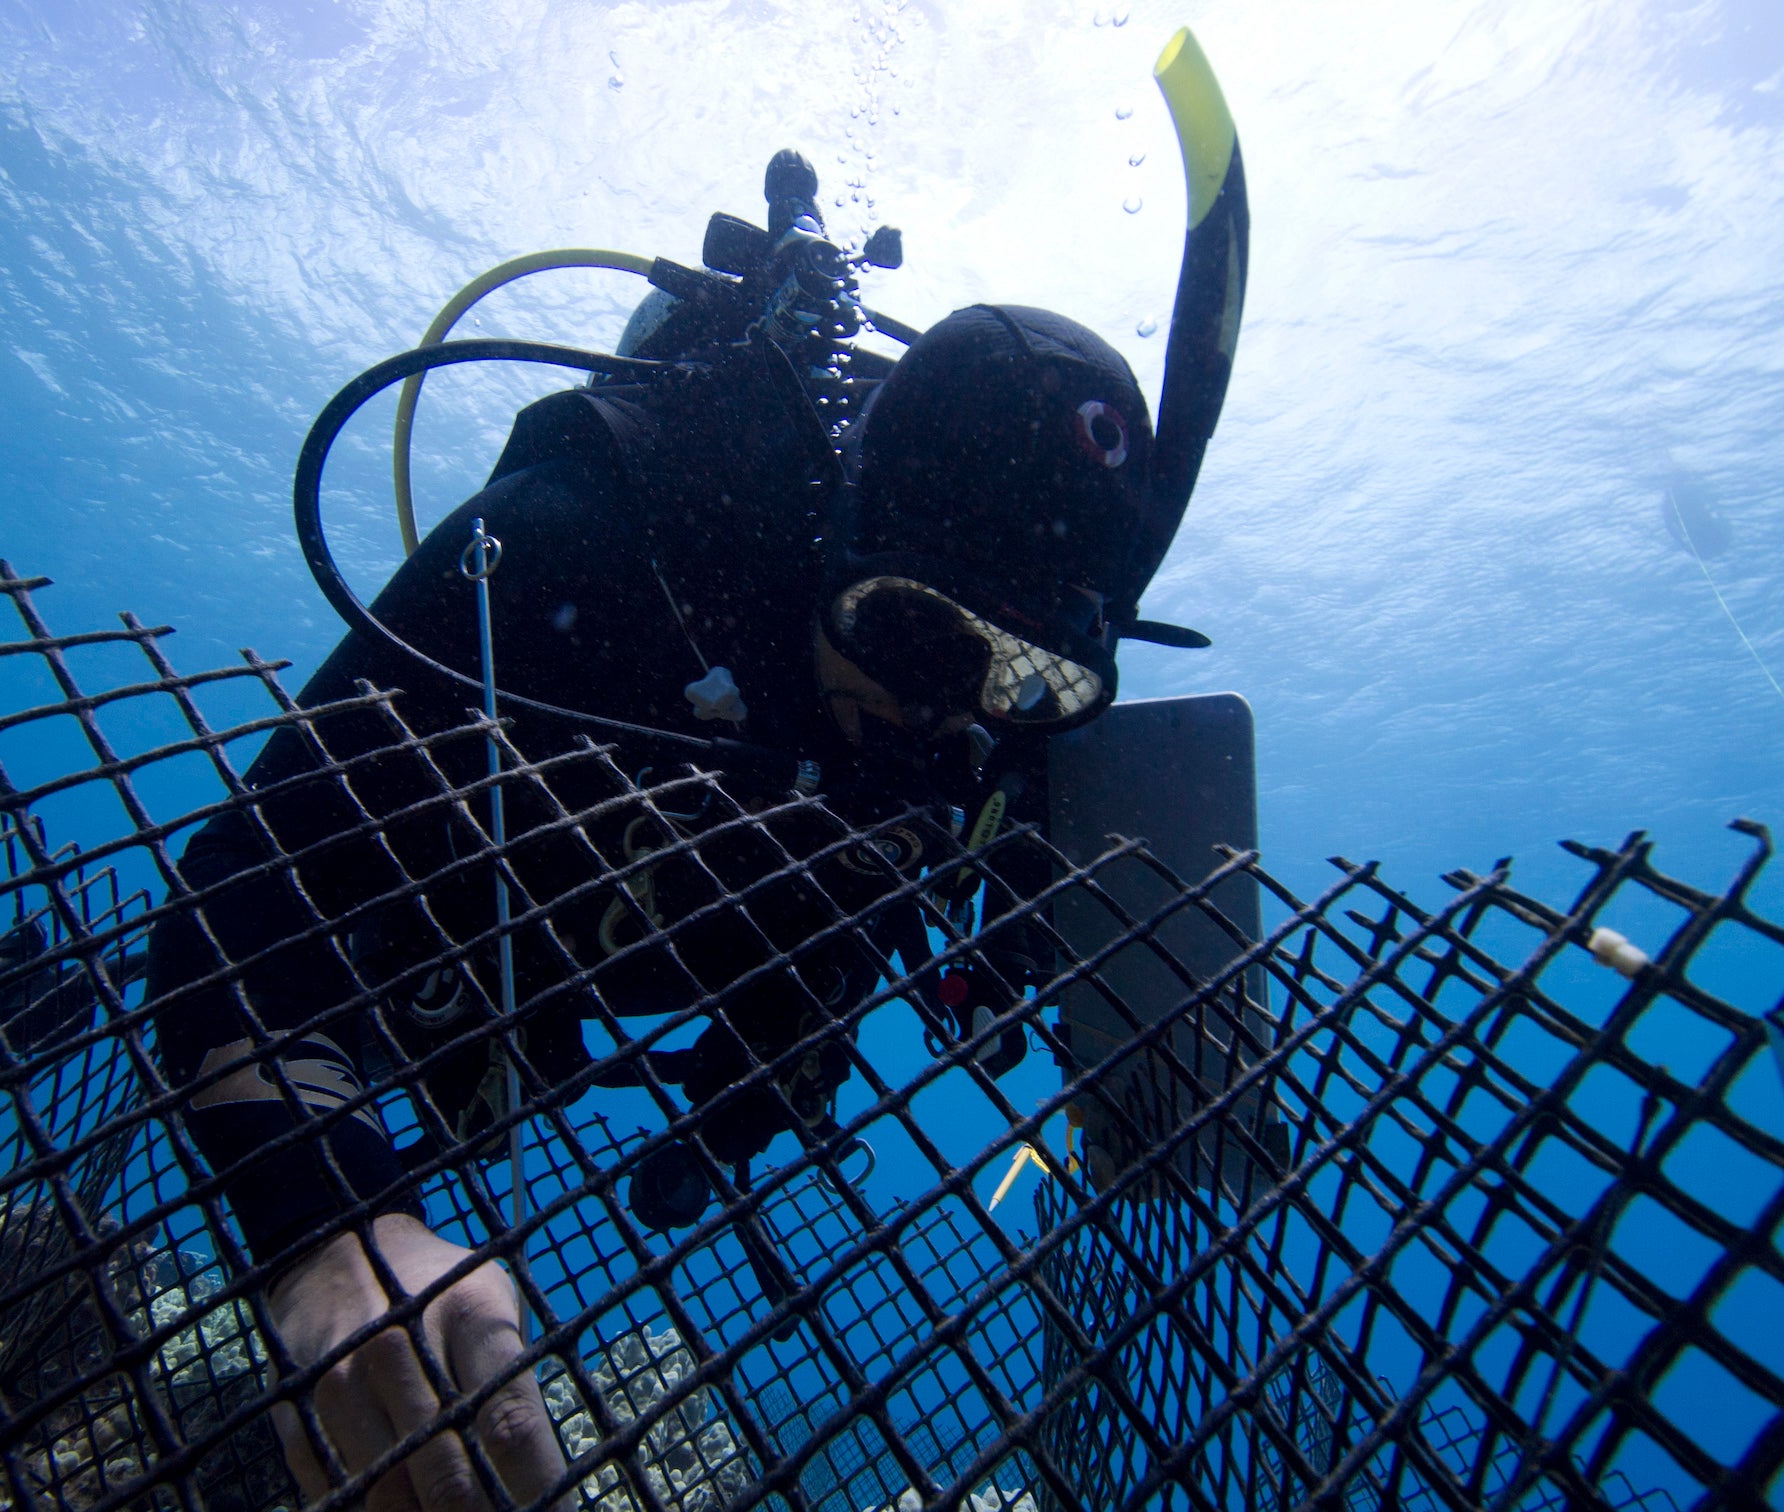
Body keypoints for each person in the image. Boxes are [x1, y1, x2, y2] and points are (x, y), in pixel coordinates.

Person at [145, 73, 1246, 1512]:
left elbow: (1120, 984)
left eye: (1029, 678)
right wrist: (324, 1230)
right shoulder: (578, 551)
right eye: (915, 634)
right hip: (509, 919)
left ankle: (719, 1122)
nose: (949, 713)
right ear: (840, 540)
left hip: (737, 954)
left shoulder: (995, 726)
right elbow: (230, 911)